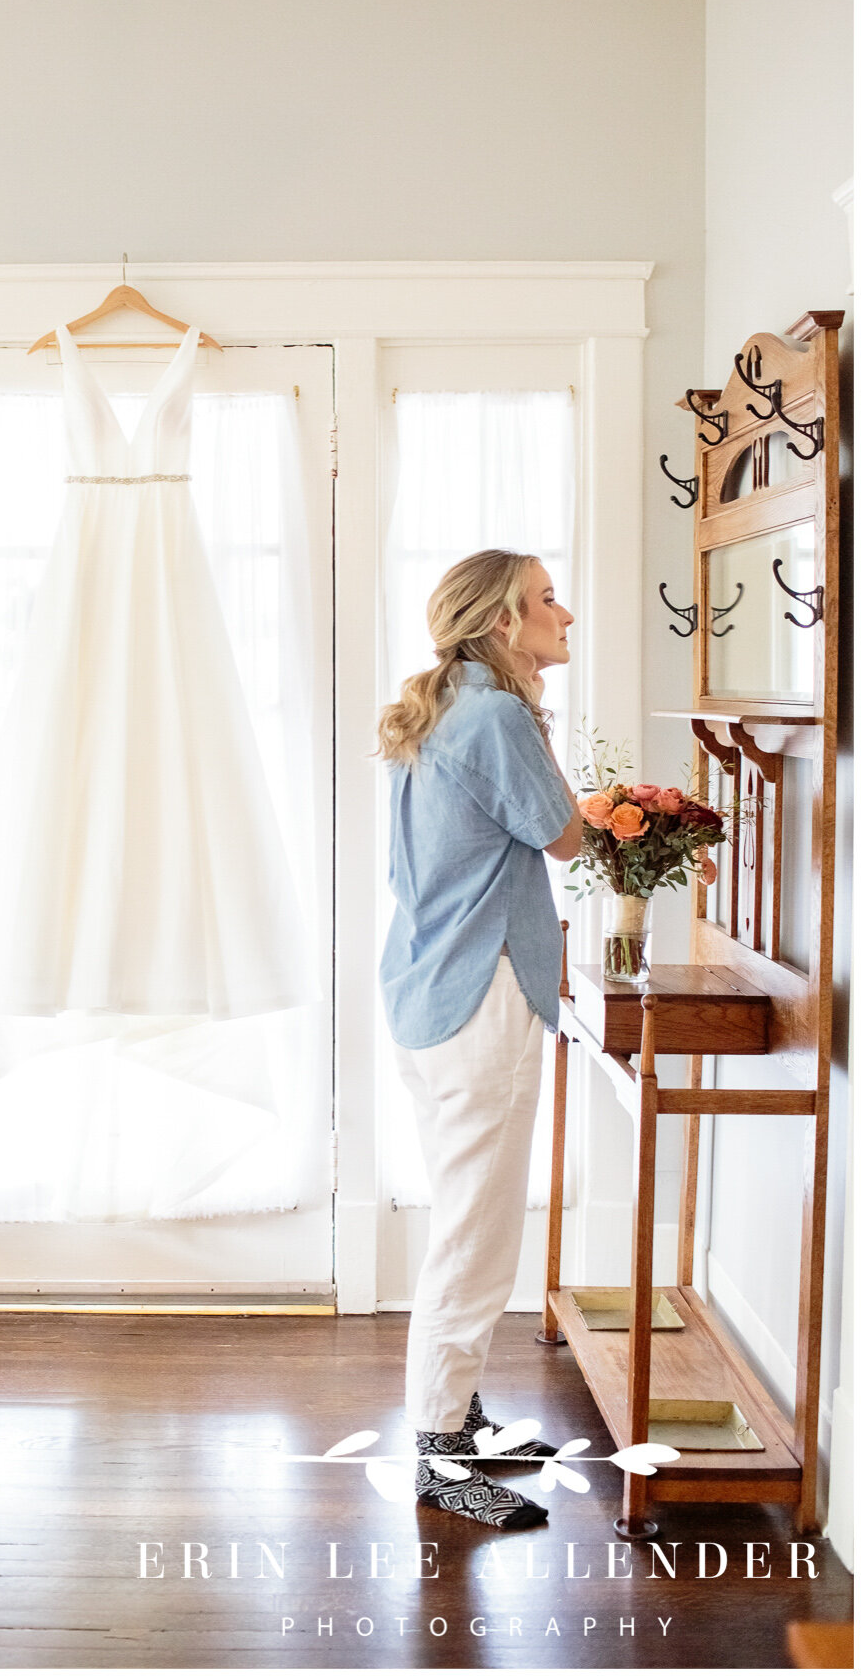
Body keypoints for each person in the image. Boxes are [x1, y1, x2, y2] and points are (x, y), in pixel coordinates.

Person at [377, 549, 580, 1529]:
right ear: (503, 622)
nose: (566, 614)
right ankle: (436, 1451)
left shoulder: (443, 706)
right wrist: (536, 707)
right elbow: (567, 834)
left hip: (428, 992)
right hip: (482, 996)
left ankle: (460, 1413)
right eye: (548, 601)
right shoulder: (496, 715)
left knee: (469, 1217)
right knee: (475, 1231)